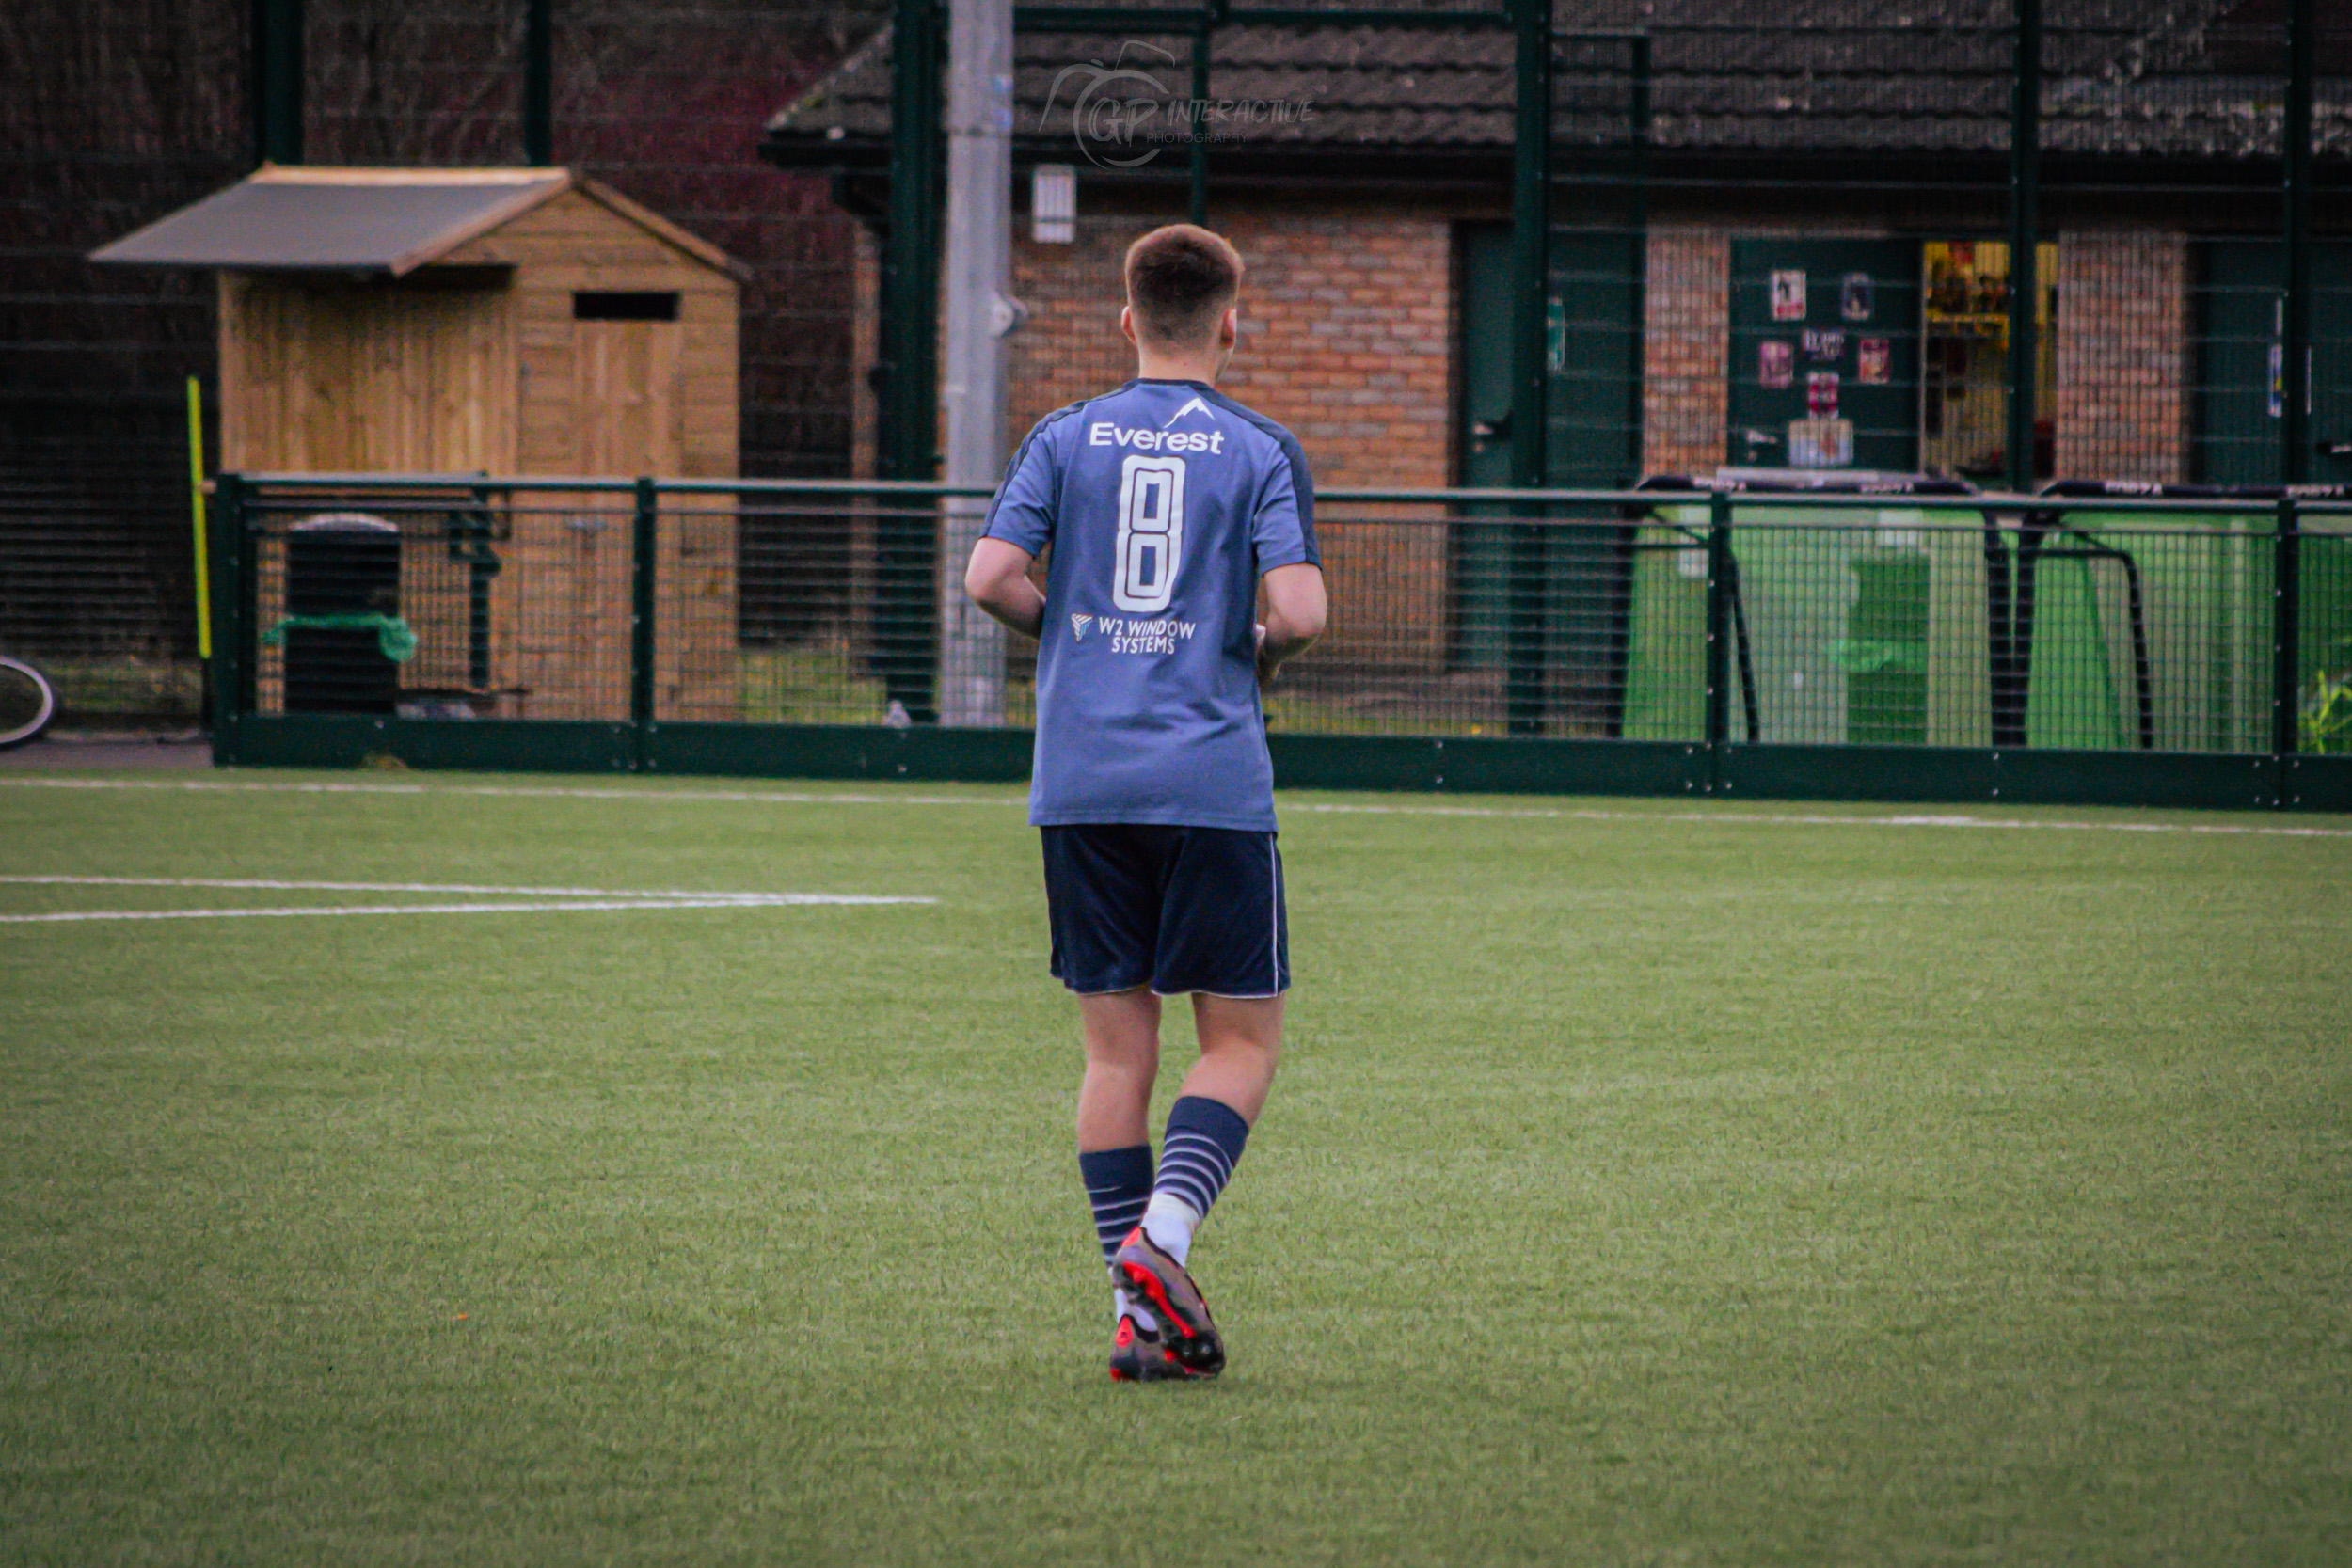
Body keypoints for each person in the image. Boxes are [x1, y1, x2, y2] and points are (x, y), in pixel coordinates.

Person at [963, 223, 1327, 1382]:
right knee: (1241, 1040)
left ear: (1126, 320)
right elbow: (1303, 613)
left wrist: (1066, 634)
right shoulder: (1259, 445)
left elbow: (987, 578)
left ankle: (1138, 1318)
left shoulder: (1063, 436)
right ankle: (1161, 1243)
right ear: (1232, 320)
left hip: (1081, 780)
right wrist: (1253, 648)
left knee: (1115, 1056)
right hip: (1208, 780)